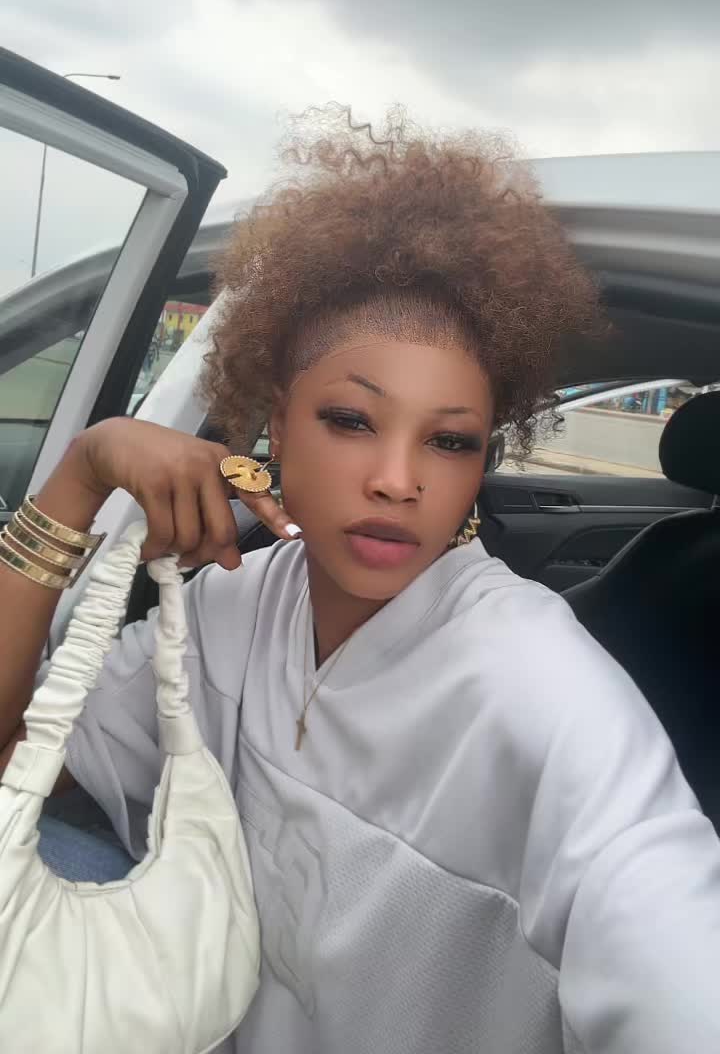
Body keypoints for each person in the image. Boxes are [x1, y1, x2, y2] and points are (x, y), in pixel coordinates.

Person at [1, 109, 719, 1053]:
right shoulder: (229, 605)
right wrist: (79, 475)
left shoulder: (541, 689)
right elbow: (18, 774)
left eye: (450, 441)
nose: (397, 478)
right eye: (350, 420)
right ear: (275, 422)